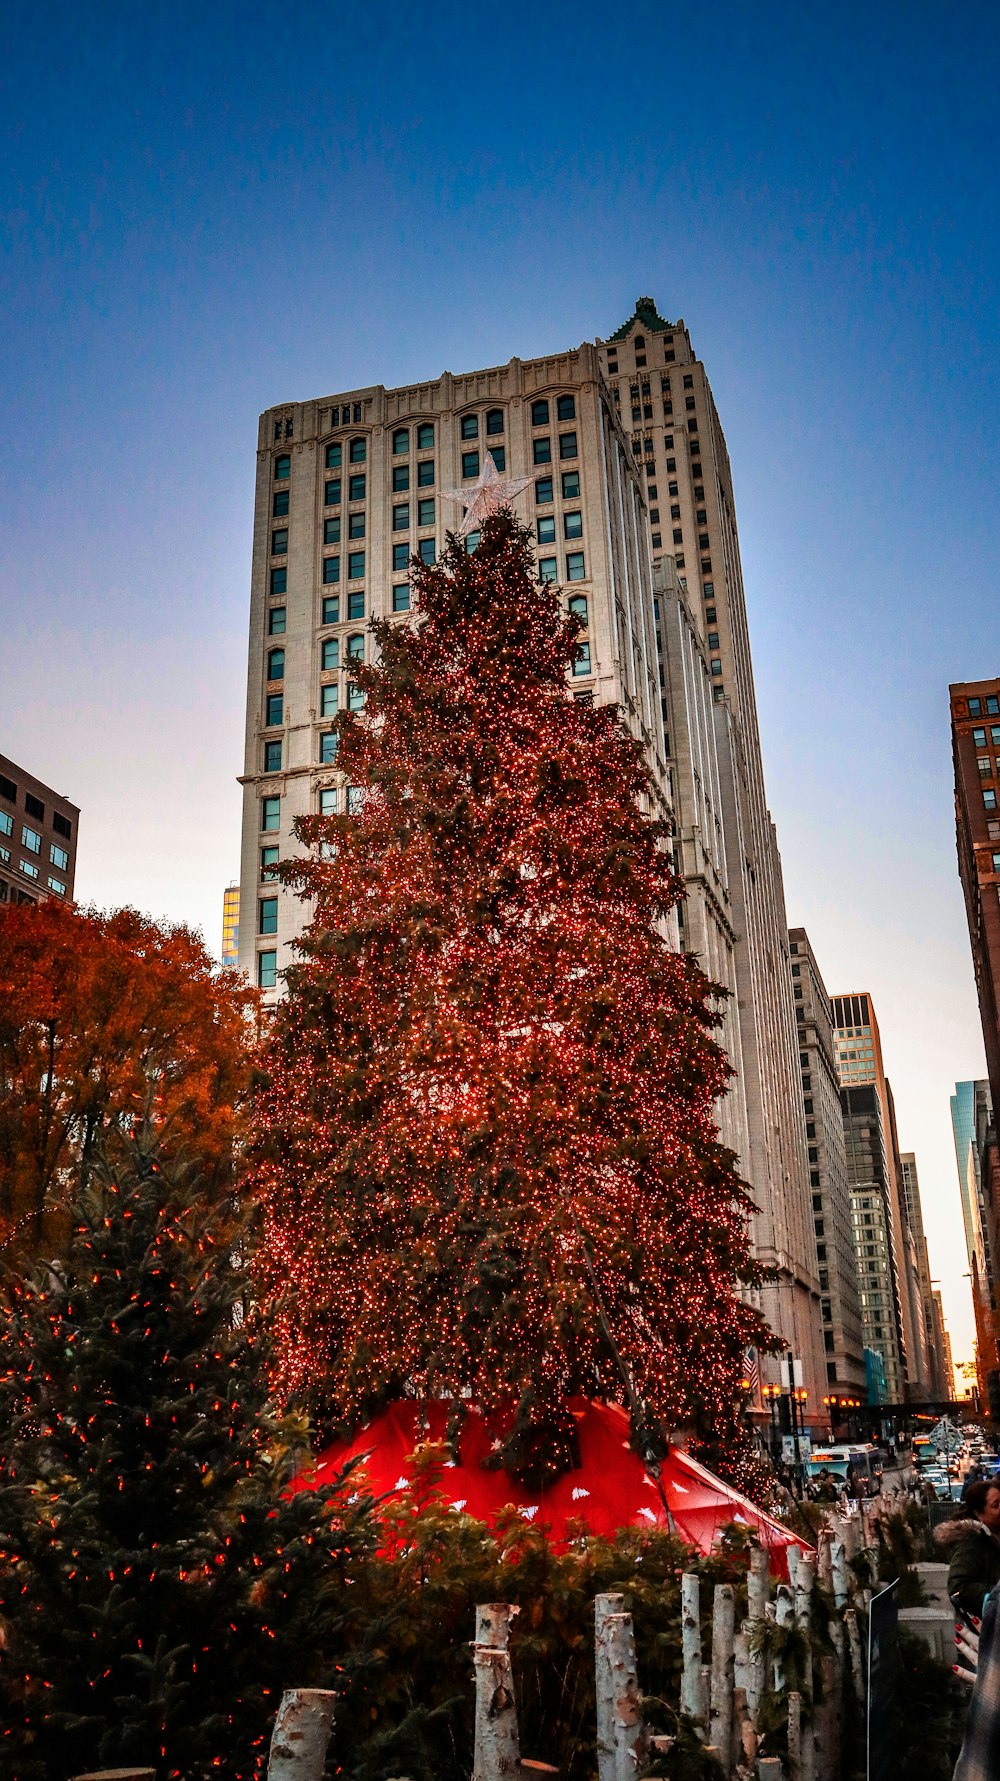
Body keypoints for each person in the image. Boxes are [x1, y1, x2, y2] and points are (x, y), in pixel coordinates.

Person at [935, 1480, 1000, 1619]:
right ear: (978, 1513)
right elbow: (958, 1587)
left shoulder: (995, 1534)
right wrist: (996, 1596)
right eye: (996, 1505)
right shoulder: (972, 1541)